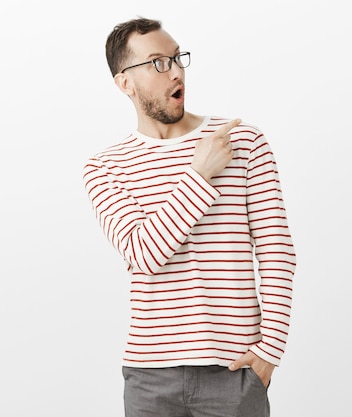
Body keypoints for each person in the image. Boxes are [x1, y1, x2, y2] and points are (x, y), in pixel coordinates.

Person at [82, 17, 296, 417]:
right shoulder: (105, 167)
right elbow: (145, 254)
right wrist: (200, 175)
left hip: (234, 372)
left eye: (178, 58)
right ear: (125, 83)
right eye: (158, 63)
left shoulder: (242, 142)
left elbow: (277, 252)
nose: (176, 71)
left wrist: (270, 351)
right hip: (149, 376)